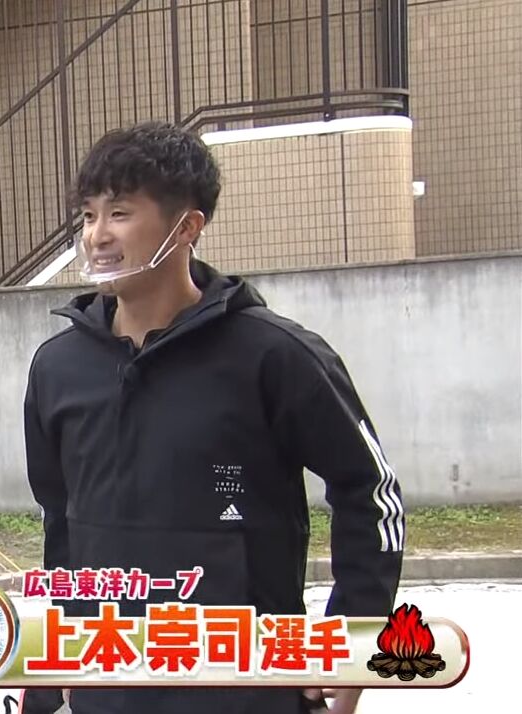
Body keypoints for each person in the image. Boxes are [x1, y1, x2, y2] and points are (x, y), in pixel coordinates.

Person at [23, 122, 405, 714]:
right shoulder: (58, 367)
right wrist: (68, 645)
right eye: (89, 215)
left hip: (247, 688)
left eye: (119, 213)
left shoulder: (273, 355)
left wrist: (354, 639)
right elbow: (61, 519)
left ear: (187, 227)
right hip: (110, 682)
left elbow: (369, 490)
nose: (97, 236)